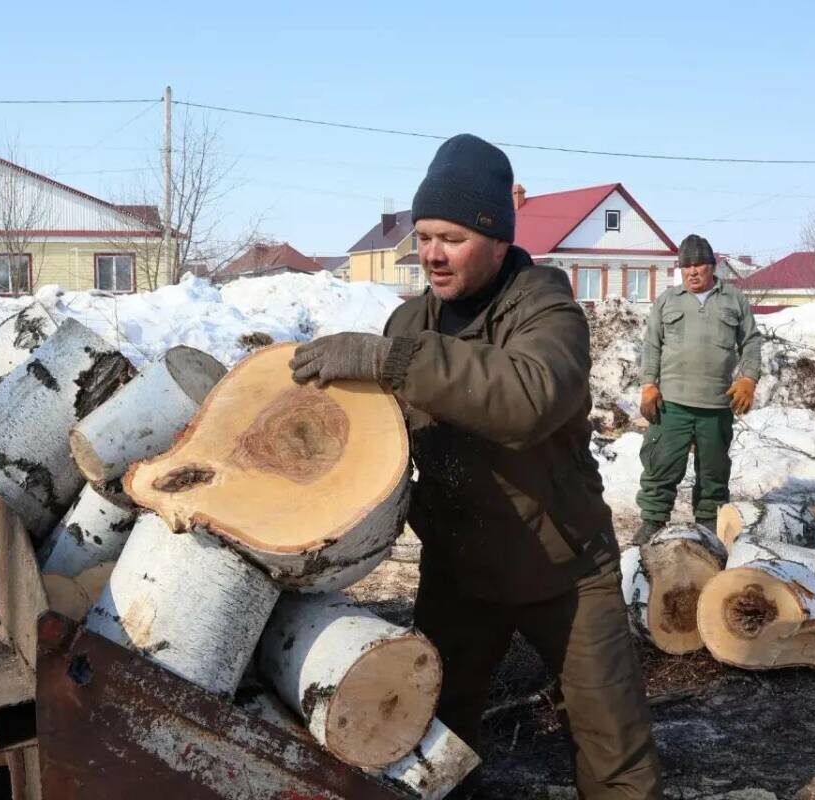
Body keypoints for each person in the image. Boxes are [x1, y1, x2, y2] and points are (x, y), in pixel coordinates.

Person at [290, 134, 662, 799]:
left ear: (497, 238)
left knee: (615, 754)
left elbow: (526, 398)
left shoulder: (546, 307)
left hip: (565, 572)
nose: (432, 253)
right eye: (425, 235)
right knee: (432, 742)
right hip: (460, 573)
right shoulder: (410, 321)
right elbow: (381, 439)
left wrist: (391, 363)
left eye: (452, 238)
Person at [633, 235, 763, 544]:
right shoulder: (668, 300)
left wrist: (748, 378)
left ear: (712, 267)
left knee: (714, 471)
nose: (692, 272)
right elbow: (652, 344)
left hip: (716, 404)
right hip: (672, 403)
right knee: (661, 465)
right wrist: (649, 385)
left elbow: (751, 341)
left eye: (698, 265)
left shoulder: (733, 299)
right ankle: (652, 520)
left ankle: (707, 524)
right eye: (685, 266)